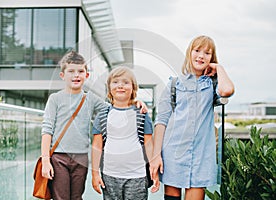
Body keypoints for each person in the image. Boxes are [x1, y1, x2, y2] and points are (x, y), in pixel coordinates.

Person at [40, 50, 147, 200]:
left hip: (81, 158)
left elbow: (114, 106)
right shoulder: (55, 99)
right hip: (58, 157)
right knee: (61, 197)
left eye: (80, 71)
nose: (76, 75)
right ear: (62, 75)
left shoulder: (90, 99)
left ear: (86, 75)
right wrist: (45, 160)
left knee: (77, 197)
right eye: (71, 71)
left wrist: (133, 102)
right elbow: (47, 129)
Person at [150, 35, 235, 200]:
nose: (201, 56)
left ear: (212, 58)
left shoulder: (213, 84)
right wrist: (156, 156)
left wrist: (219, 68)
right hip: (172, 152)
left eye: (207, 53)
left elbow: (227, 91)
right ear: (190, 53)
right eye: (197, 50)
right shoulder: (175, 84)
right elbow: (161, 121)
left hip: (201, 157)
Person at [91, 66, 160, 200]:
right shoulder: (102, 115)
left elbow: (149, 144)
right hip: (109, 175)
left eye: (126, 82)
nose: (120, 86)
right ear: (109, 87)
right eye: (115, 82)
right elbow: (96, 146)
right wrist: (95, 174)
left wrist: (154, 169)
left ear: (133, 88)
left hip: (137, 176)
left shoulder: (141, 113)